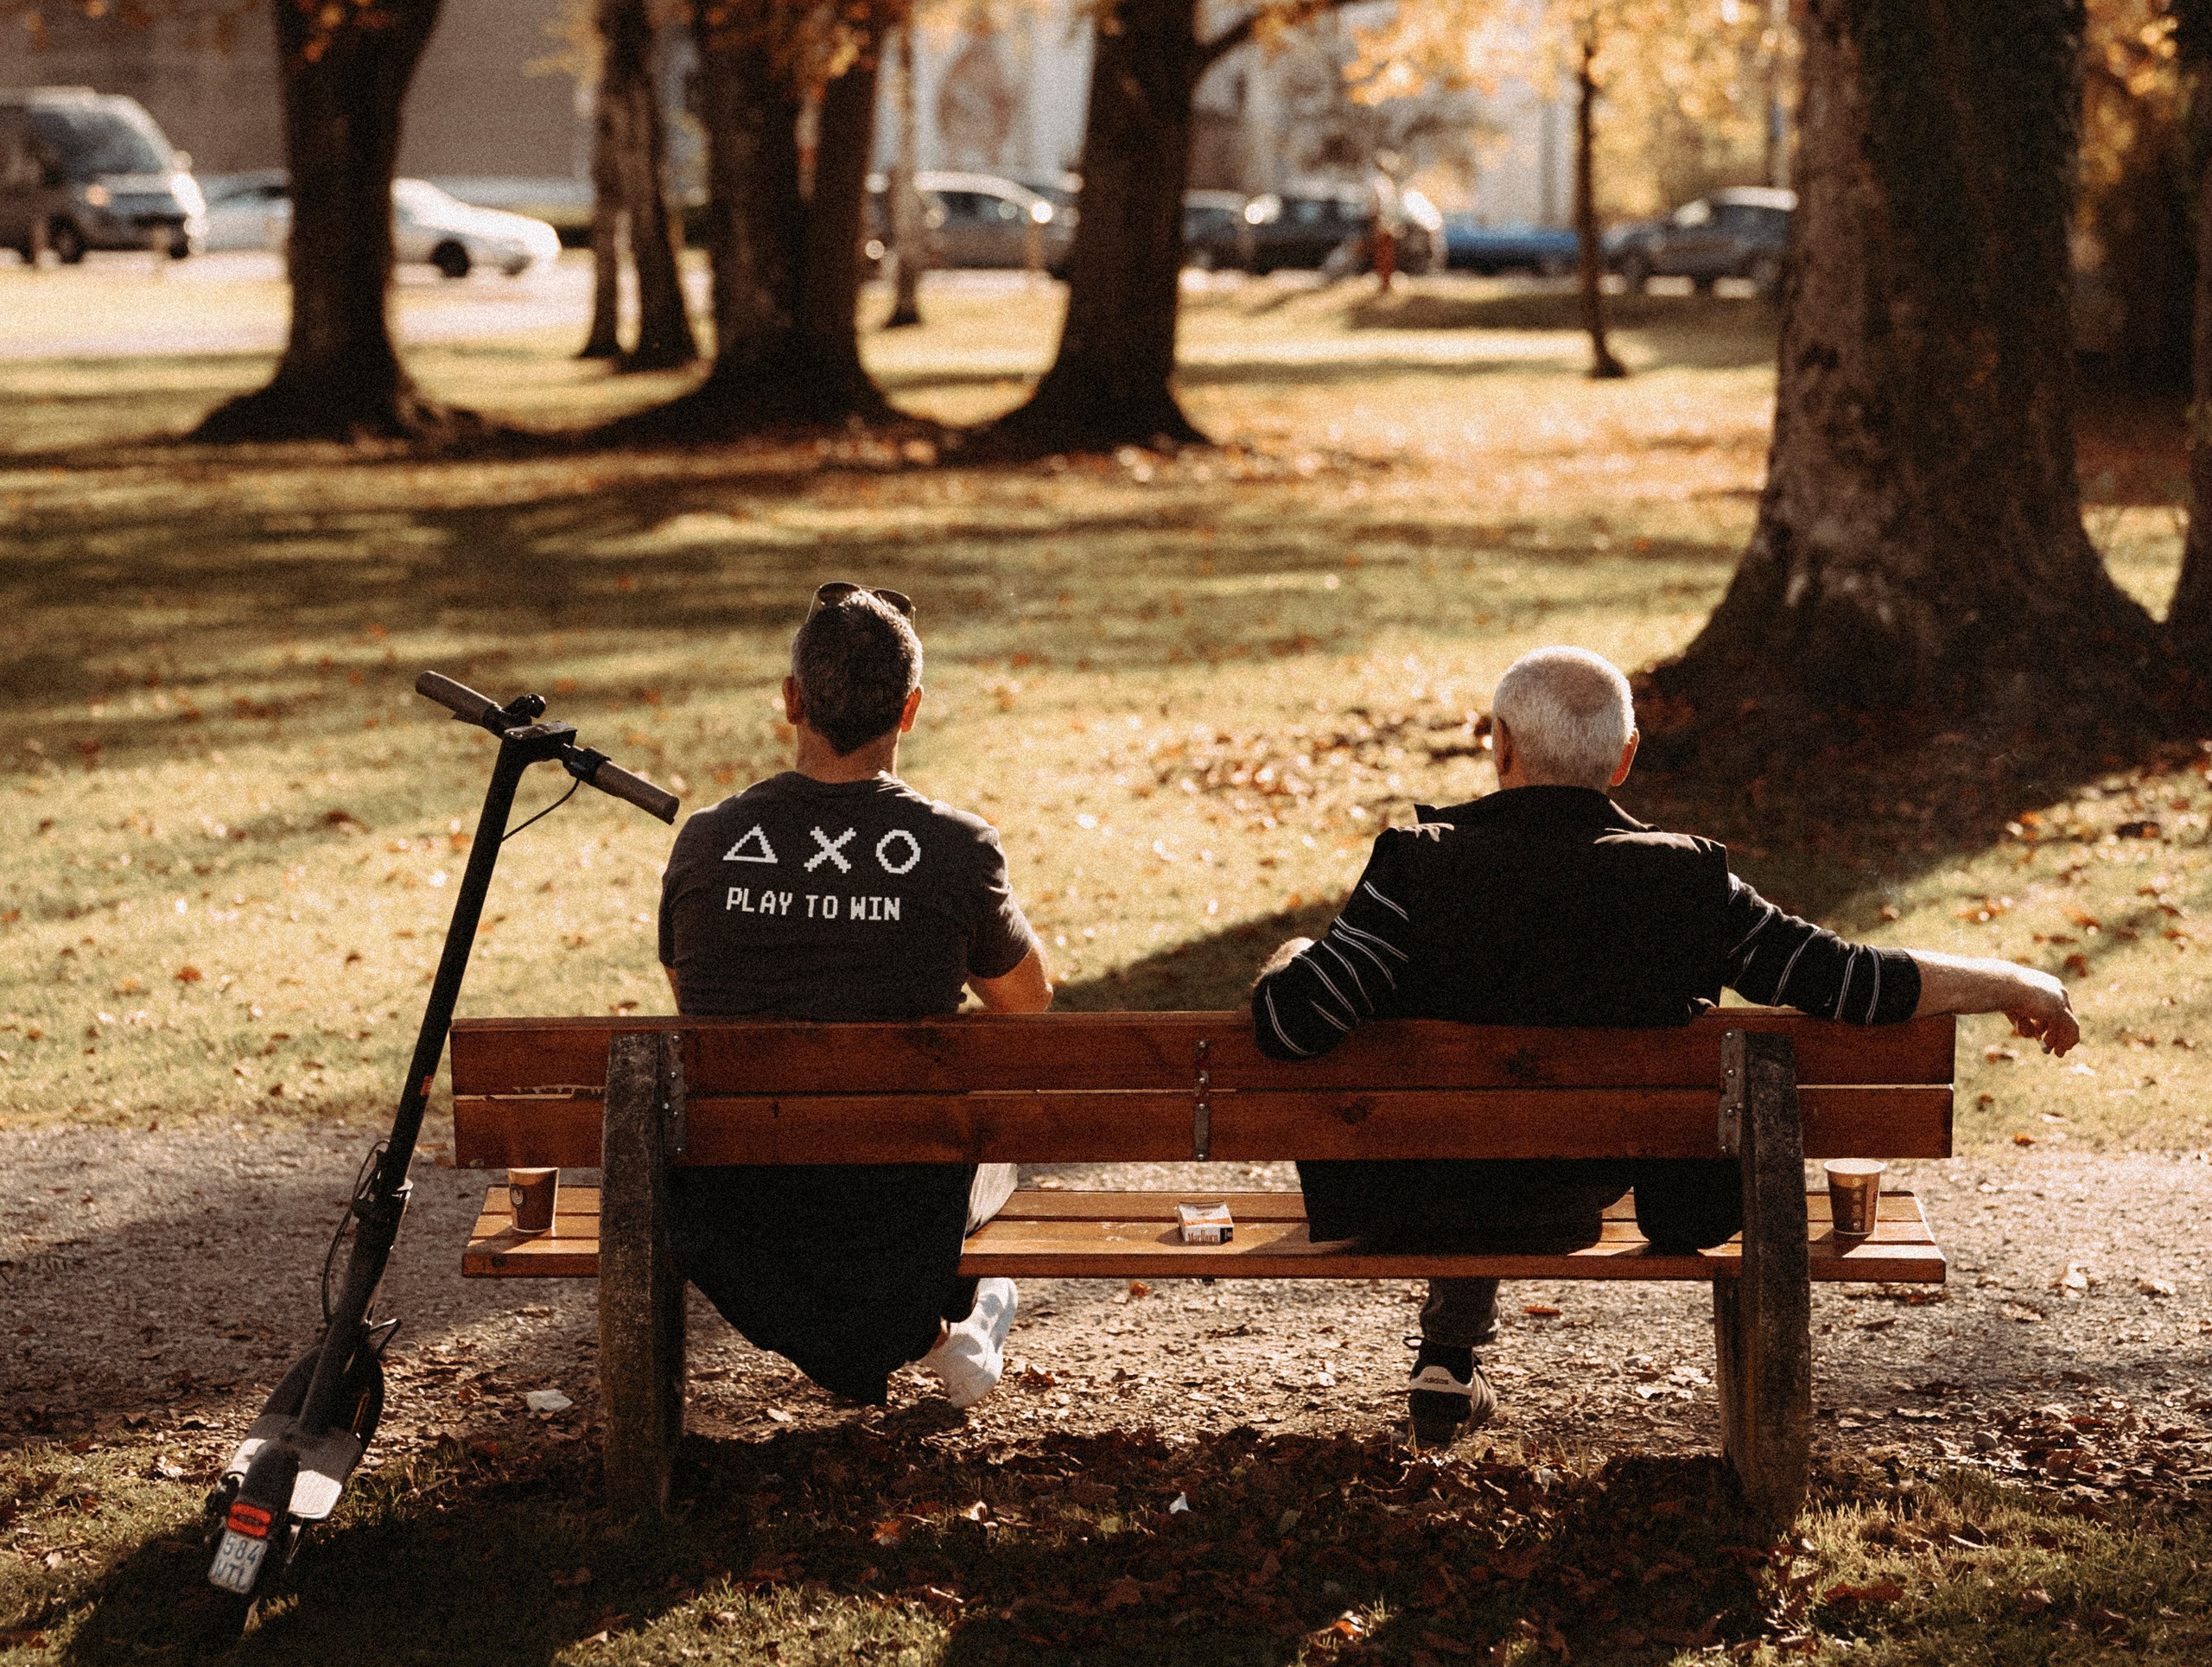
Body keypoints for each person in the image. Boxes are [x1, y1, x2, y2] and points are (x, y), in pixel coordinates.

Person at [1250, 643, 2079, 1447]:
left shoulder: (1415, 869)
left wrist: (1293, 959)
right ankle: (1454, 1348)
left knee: (1457, 1069)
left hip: (1422, 1198)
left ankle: (1449, 1350)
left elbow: (1294, 1025)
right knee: (1533, 1109)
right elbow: (1847, 980)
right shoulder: (1688, 883)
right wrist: (2009, 980)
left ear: (1498, 744)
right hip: (1582, 1194)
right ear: (1624, 758)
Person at [657, 582, 1051, 1412]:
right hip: (900, 1202)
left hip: (740, 1206)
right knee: (990, 1139)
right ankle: (934, 1330)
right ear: (909, 711)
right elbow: (1028, 1004)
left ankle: (924, 1337)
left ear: (792, 699)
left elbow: (692, 998)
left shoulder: (708, 841)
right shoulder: (956, 848)